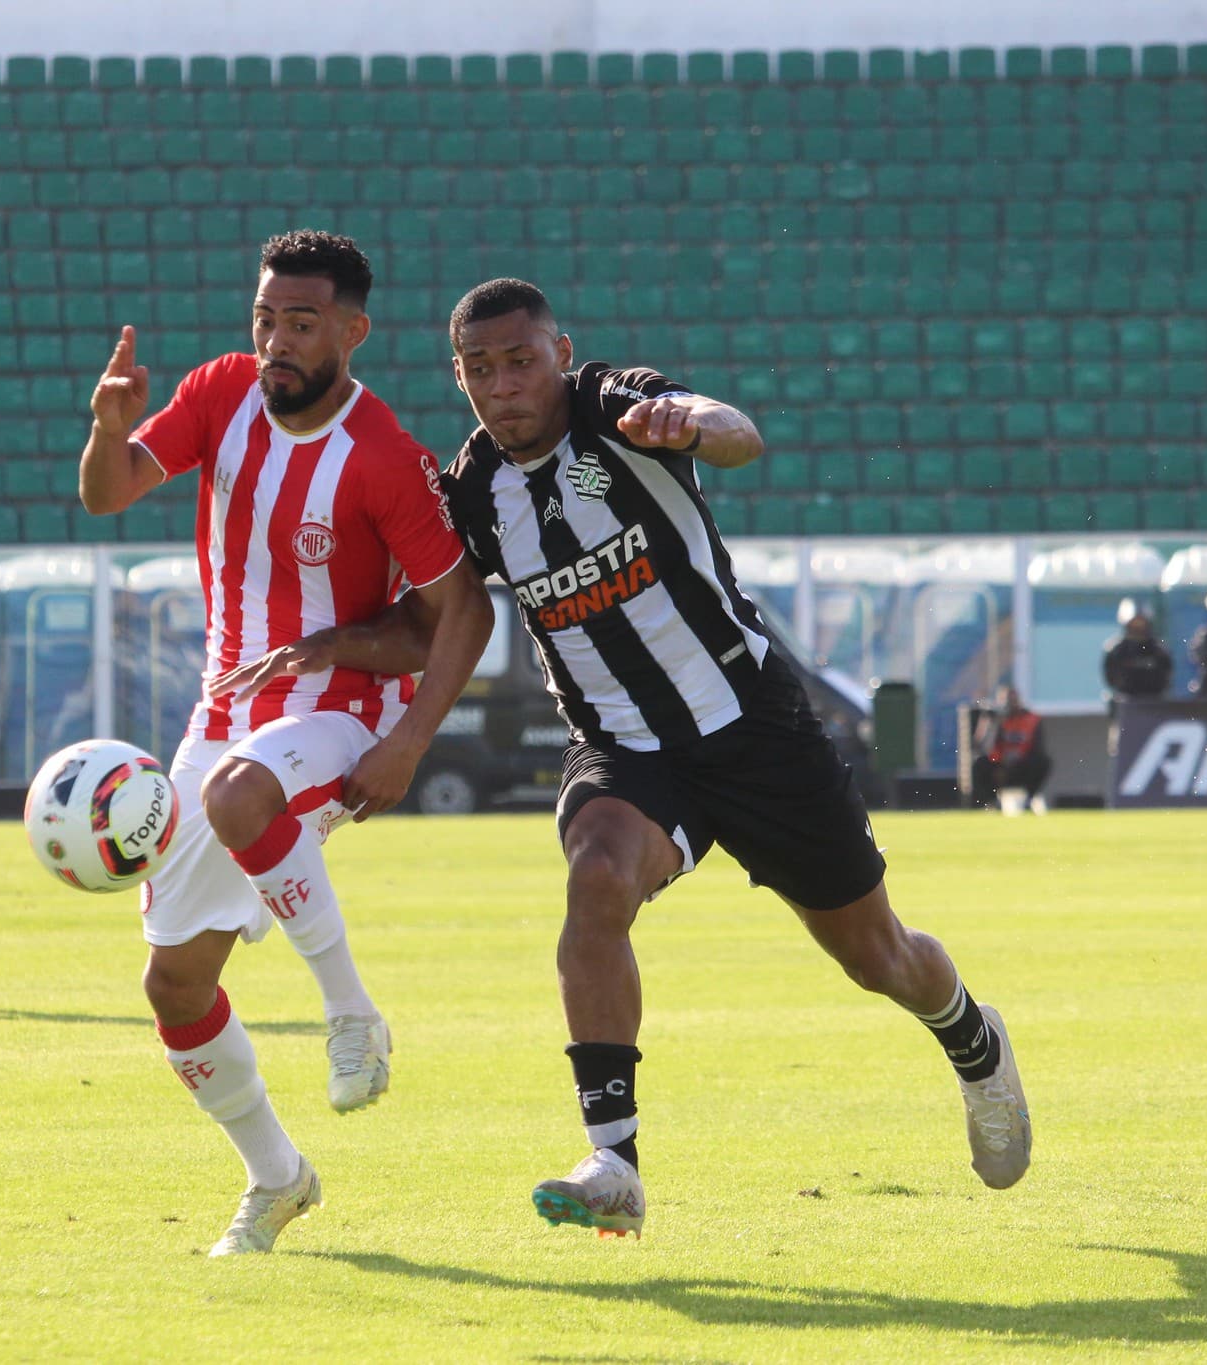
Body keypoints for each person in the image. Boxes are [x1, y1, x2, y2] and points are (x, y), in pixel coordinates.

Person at [213, 279, 1030, 1238]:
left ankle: (976, 1045)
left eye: (521, 361)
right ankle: (614, 1160)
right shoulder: (473, 487)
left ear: (560, 353)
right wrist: (335, 644)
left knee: (878, 957)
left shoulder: (616, 408)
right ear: (460, 379)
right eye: (481, 370)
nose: (504, 385)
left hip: (752, 727)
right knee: (596, 877)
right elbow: (433, 623)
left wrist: (693, 420)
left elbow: (736, 434)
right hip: (622, 746)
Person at [76, 230, 493, 1256]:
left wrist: (409, 743)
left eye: (301, 322)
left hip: (340, 710)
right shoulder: (220, 393)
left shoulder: (385, 456)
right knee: (172, 987)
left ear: (351, 331)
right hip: (220, 714)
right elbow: (109, 491)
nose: (276, 339)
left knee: (237, 796)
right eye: (266, 318)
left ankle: (350, 1013)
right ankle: (277, 1180)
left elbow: (463, 613)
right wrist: (107, 432)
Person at [969, 686, 1052, 813]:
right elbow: (981, 747)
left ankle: (1029, 800)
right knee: (979, 764)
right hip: (998, 766)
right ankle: (992, 802)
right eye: (1006, 701)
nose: (1010, 704)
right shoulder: (993, 719)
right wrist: (992, 723)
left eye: (1013, 700)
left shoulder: (1031, 719)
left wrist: (1013, 763)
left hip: (1021, 766)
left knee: (1042, 762)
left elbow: (1038, 749)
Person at [1102, 604, 1173, 703]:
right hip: (1125, 702)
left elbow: (1166, 675)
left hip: (1154, 702)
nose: (1138, 630)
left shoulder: (1158, 650)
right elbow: (1111, 677)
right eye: (1134, 626)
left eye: (1141, 625)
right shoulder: (1117, 651)